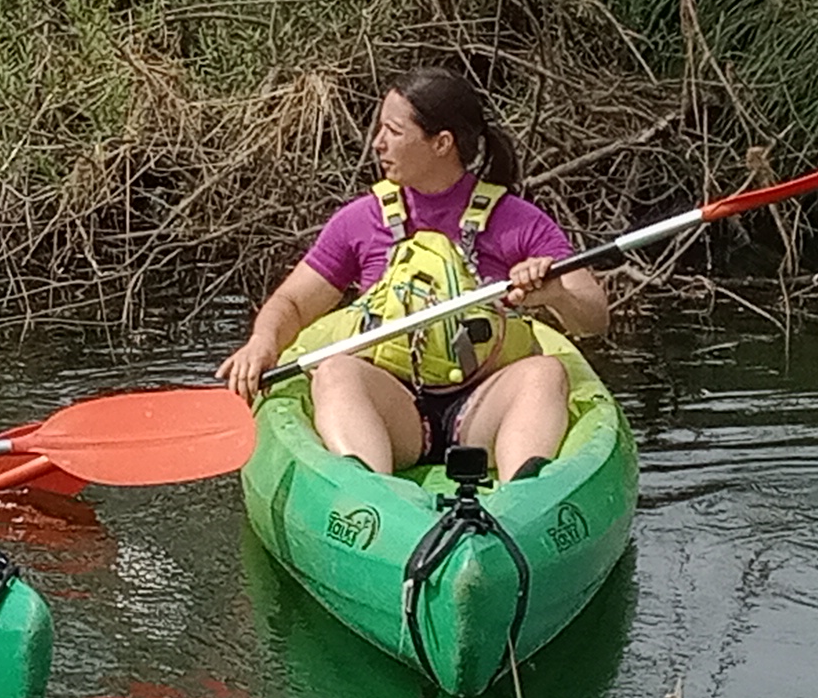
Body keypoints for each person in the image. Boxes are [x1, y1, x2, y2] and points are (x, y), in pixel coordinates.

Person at [215, 65, 612, 478]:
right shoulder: (361, 220)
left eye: (393, 131)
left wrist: (556, 296)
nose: (378, 143)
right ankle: (366, 496)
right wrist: (263, 341)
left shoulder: (517, 221)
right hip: (393, 411)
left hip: (483, 409)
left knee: (545, 372)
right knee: (335, 371)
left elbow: (594, 318)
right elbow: (294, 302)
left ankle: (524, 495)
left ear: (441, 143)